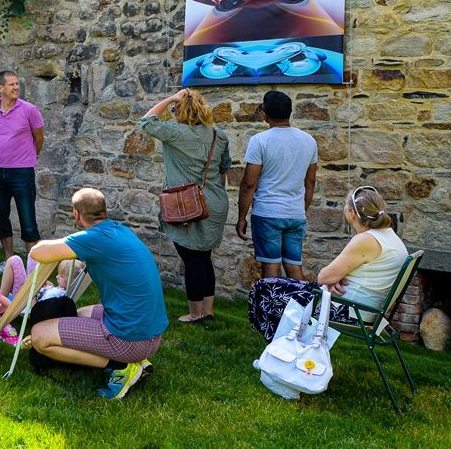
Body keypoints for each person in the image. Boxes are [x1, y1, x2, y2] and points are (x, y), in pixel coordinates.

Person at [29, 188, 167, 400]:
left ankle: (120, 366)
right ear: (104, 211)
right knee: (78, 314)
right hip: (150, 333)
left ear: (76, 214)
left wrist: (72, 239)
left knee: (39, 336)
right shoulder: (121, 231)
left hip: (130, 339)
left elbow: (37, 252)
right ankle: (135, 360)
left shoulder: (92, 238)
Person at [249, 187, 409, 342]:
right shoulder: (390, 236)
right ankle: (284, 348)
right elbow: (353, 273)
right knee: (270, 286)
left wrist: (332, 279)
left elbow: (323, 276)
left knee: (263, 289)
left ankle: (281, 351)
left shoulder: (366, 240)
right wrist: (335, 279)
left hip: (345, 309)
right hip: (359, 306)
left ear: (352, 214)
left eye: (345, 205)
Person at [140, 88, 232, 324]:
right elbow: (224, 168)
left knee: (191, 259)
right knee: (204, 257)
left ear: (179, 110)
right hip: (215, 202)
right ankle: (208, 310)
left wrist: (170, 98)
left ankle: (195, 313)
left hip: (187, 205)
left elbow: (146, 121)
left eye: (174, 109)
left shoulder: (176, 132)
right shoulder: (218, 135)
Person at [237, 90, 319, 280]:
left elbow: (249, 183)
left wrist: (242, 217)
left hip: (268, 213)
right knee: (294, 267)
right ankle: (298, 308)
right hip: (295, 213)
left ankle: (271, 310)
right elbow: (310, 181)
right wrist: (302, 208)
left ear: (264, 113)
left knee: (271, 269)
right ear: (290, 112)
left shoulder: (259, 141)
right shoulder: (309, 141)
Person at [0, 70, 45, 263]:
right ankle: (9, 261)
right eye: (11, 84)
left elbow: (39, 138)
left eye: (17, 84)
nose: (16, 87)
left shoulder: (29, 110)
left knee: (28, 220)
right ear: (0, 88)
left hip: (22, 172)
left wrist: (31, 156)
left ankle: (34, 265)